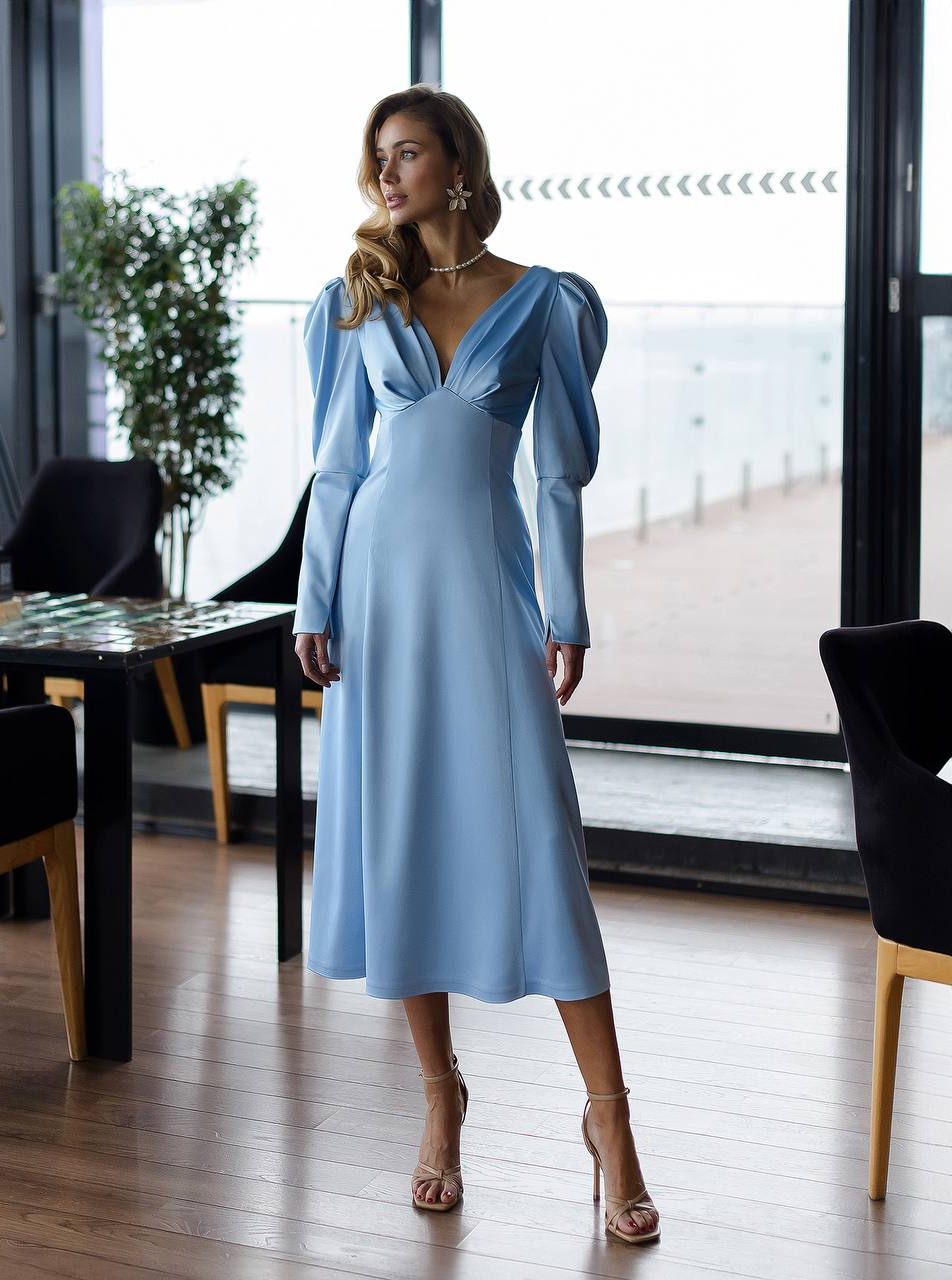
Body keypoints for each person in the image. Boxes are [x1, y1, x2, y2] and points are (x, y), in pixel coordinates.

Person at [292, 84, 660, 1244]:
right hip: (379, 602)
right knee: (400, 838)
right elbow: (338, 470)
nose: (385, 176)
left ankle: (610, 1120)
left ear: (459, 164)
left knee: (538, 842)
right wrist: (315, 596)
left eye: (407, 153)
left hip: (488, 593)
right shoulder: (357, 298)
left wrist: (569, 610)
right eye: (376, 159)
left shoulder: (542, 300)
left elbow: (556, 473)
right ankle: (439, 1097)